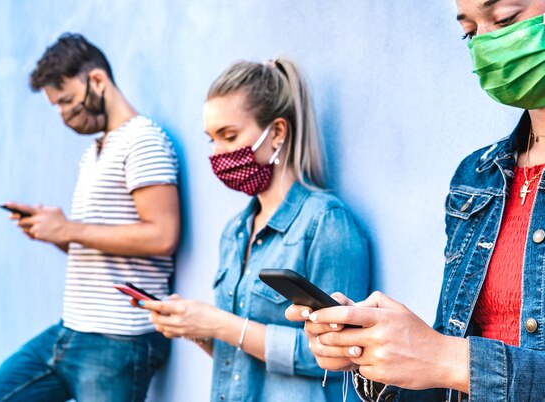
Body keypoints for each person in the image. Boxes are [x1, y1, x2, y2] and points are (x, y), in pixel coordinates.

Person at [287, 0, 545, 400]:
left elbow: (454, 361)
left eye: (503, 19)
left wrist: (450, 359)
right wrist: (377, 351)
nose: (486, 44)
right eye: (470, 31)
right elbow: (446, 376)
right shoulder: (476, 177)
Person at [138, 58, 371, 401]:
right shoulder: (234, 231)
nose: (218, 153)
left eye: (228, 135)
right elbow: (240, 358)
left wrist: (218, 323)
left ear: (277, 132)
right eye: (211, 140)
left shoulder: (326, 222)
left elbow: (341, 354)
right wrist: (196, 328)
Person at [0, 33, 180, 402]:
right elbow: (102, 242)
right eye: (56, 106)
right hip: (69, 331)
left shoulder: (143, 140)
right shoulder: (95, 151)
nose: (64, 114)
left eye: (67, 100)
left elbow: (162, 235)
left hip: (116, 341)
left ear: (97, 80)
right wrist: (57, 234)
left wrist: (68, 227)